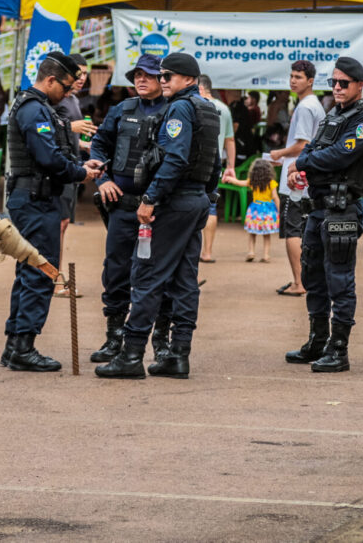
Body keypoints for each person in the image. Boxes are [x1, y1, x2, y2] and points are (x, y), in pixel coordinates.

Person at [96, 53, 221, 379]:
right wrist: (207, 197)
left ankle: (131, 355)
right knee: (184, 280)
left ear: (189, 79)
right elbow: (215, 163)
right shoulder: (207, 108)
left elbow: (176, 159)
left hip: (174, 202)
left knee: (147, 275)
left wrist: (151, 198)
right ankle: (177, 356)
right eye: (160, 75)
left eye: (167, 76)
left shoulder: (180, 108)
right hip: (195, 201)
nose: (162, 80)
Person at [282, 56, 363, 373]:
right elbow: (313, 147)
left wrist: (301, 164)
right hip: (318, 206)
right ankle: (318, 341)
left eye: (344, 83)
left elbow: (341, 155)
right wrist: (299, 171)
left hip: (342, 208)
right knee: (312, 275)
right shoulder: (334, 114)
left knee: (340, 279)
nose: (337, 88)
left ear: (360, 85)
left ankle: (339, 349)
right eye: (334, 82)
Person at [1, 52, 98, 372]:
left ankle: (15, 345)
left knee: (29, 269)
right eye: (66, 87)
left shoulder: (38, 106)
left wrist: (79, 165)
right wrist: (80, 173)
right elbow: (48, 157)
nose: (68, 93)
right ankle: (23, 347)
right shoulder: (34, 109)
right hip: (35, 200)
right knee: (40, 271)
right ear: (51, 79)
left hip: (34, 198)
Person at [85, 54, 167, 364]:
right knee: (116, 271)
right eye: (137, 75)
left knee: (157, 274)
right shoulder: (121, 110)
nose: (141, 79)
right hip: (122, 207)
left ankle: (161, 341)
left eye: (148, 75)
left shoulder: (176, 111)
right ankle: (114, 338)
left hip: (159, 211)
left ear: (162, 79)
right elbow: (99, 145)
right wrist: (103, 178)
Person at [268, 60, 325, 296]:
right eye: (292, 76)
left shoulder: (305, 107)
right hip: (305, 176)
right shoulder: (314, 105)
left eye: (298, 77)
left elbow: (303, 144)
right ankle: (306, 280)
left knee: (292, 230)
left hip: (296, 180)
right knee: (303, 230)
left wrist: (279, 153)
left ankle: (299, 283)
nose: (293, 81)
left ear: (310, 81)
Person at [197, 74, 237, 264]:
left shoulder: (194, 105)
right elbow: (230, 140)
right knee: (211, 206)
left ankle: (192, 250)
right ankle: (207, 252)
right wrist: (231, 166)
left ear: (200, 88)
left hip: (194, 164)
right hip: (215, 164)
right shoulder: (224, 109)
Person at [57, 56, 95, 244]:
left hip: (72, 165)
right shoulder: (55, 99)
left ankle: (56, 262)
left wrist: (83, 144)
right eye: (78, 73)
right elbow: (42, 129)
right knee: (58, 223)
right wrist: (71, 127)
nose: (81, 78)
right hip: (58, 167)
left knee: (64, 223)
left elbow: (69, 135)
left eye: (85, 73)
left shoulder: (74, 100)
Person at [221, 159, 279, 262]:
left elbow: (239, 183)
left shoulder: (253, 182)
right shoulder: (272, 183)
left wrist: (229, 178)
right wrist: (280, 210)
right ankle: (266, 255)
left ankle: (251, 252)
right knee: (267, 235)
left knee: (252, 233)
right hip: (267, 210)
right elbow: (275, 197)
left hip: (255, 210)